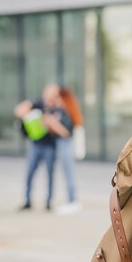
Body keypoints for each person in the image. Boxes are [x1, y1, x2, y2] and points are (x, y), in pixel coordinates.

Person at [14, 84, 70, 211]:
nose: (51, 97)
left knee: (50, 174)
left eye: (54, 94)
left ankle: (49, 202)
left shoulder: (58, 110)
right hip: (36, 145)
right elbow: (19, 110)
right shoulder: (37, 104)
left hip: (50, 146)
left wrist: (51, 122)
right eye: (50, 94)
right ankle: (27, 200)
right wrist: (30, 114)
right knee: (30, 173)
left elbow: (64, 132)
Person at [55, 87, 85, 215]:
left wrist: (53, 123)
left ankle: (72, 201)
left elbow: (65, 132)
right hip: (65, 144)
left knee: (69, 173)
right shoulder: (66, 111)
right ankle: (71, 200)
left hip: (66, 144)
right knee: (68, 173)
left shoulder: (66, 112)